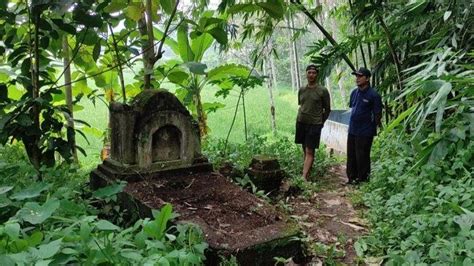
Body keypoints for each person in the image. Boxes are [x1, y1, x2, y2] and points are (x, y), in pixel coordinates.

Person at [346, 67, 382, 184]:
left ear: (367, 78)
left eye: (360, 76)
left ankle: (363, 180)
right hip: (353, 129)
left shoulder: (374, 95)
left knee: (362, 155)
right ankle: (351, 178)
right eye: (356, 76)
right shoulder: (354, 93)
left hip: (365, 131)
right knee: (351, 155)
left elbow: (377, 114)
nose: (357, 78)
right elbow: (353, 108)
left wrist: (372, 127)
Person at [295, 64, 331, 180]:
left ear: (317, 75)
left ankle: (303, 177)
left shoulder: (322, 91)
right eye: (309, 72)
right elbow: (301, 105)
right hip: (301, 122)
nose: (311, 75)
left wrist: (321, 122)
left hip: (315, 124)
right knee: (304, 148)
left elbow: (327, 109)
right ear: (306, 74)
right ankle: (308, 172)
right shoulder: (302, 89)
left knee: (310, 150)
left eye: (314, 73)